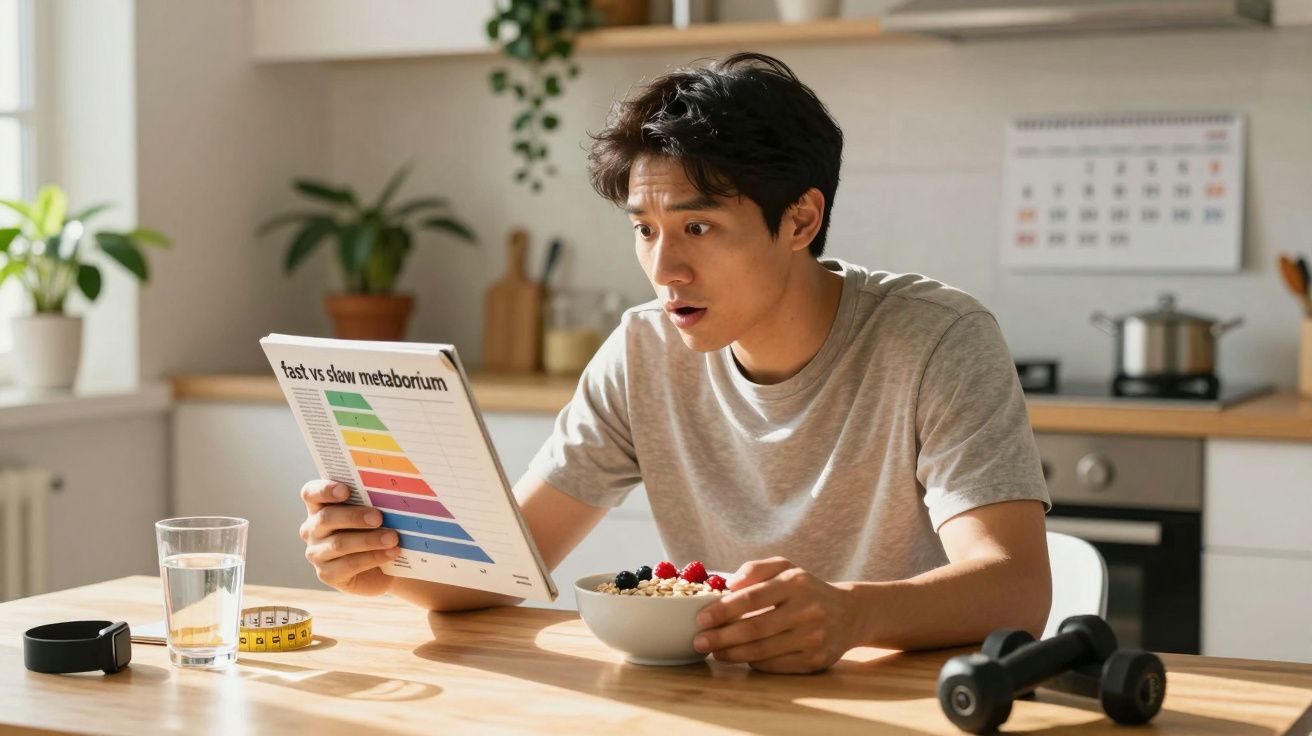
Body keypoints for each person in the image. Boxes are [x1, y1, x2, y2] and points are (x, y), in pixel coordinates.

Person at [298, 52, 1052, 674]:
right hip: (725, 704)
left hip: (910, 705)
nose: (665, 269)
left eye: (697, 226)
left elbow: (1016, 589)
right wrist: (380, 562)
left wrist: (856, 612)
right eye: (645, 229)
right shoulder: (644, 349)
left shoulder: (937, 340)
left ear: (800, 219)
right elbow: (509, 565)